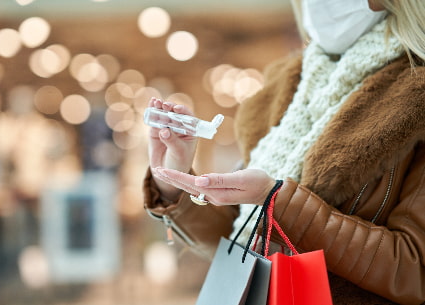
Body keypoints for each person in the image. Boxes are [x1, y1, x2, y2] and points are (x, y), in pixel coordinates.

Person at [143, 0, 425, 304]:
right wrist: (175, 180)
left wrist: (277, 200)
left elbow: (414, 270)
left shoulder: (415, 99)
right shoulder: (284, 95)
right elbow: (239, 242)